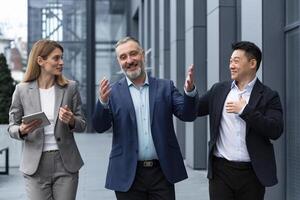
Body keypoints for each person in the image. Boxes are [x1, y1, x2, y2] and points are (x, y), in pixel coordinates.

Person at [92, 36, 198, 200]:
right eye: (123, 57)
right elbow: (99, 127)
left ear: (142, 55)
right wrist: (103, 103)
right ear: (119, 62)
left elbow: (188, 114)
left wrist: (189, 92)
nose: (129, 60)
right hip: (127, 173)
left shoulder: (165, 87)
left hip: (161, 172)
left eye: (133, 54)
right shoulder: (113, 93)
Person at [197, 41, 284, 200]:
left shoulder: (270, 96)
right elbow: (195, 109)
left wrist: (245, 111)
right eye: (230, 61)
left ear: (252, 63)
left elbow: (275, 130)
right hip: (221, 171)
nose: (231, 65)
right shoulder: (219, 90)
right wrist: (190, 92)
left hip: (253, 173)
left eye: (236, 61)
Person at [8, 39, 86, 200]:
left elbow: (82, 125)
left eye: (62, 57)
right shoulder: (22, 90)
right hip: (35, 166)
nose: (61, 62)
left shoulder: (70, 88)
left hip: (65, 164)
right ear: (40, 61)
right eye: (56, 58)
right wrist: (21, 130)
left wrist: (71, 120)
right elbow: (12, 127)